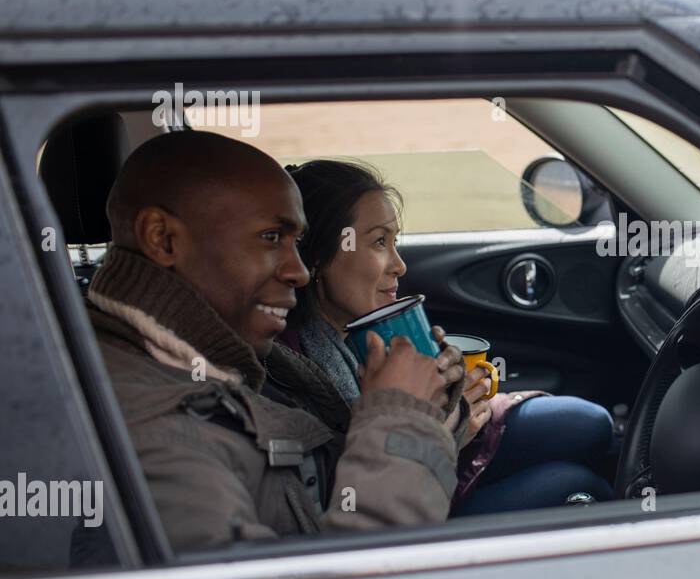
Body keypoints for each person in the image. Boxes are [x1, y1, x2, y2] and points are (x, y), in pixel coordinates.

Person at [88, 130, 469, 550]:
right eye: (271, 237)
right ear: (163, 238)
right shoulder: (159, 434)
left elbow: (325, 479)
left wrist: (426, 408)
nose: (299, 271)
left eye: (296, 243)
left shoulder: (217, 363)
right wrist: (401, 416)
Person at [284, 159, 615, 513]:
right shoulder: (289, 369)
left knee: (590, 424)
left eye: (395, 242)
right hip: (413, 505)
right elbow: (353, 494)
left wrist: (450, 401)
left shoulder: (346, 337)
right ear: (316, 256)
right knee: (580, 485)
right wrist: (449, 430)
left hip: (440, 452)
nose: (400, 265)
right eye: (379, 242)